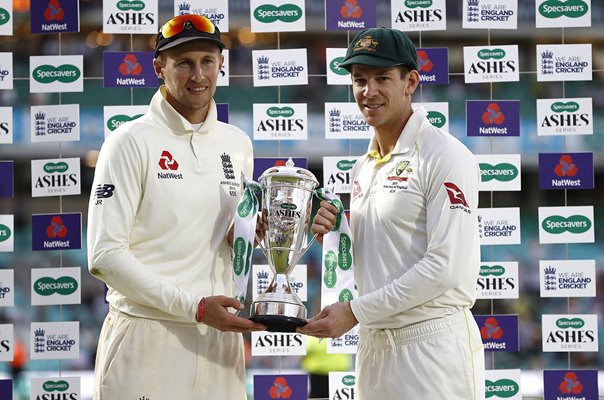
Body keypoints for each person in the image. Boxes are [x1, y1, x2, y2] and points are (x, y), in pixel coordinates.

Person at [299, 27, 486, 399]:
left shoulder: (445, 156)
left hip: (431, 347)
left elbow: (445, 268)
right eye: (360, 80)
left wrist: (354, 312)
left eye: (382, 78)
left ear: (410, 81)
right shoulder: (363, 167)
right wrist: (335, 238)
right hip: (374, 345)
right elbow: (381, 260)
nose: (369, 92)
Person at [87, 14, 265, 400]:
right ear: (159, 68)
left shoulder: (237, 143)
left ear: (222, 64)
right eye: (184, 62)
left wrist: (253, 233)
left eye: (206, 61)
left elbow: (221, 237)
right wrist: (195, 308)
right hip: (148, 335)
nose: (197, 74)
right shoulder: (129, 142)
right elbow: (104, 255)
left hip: (220, 340)